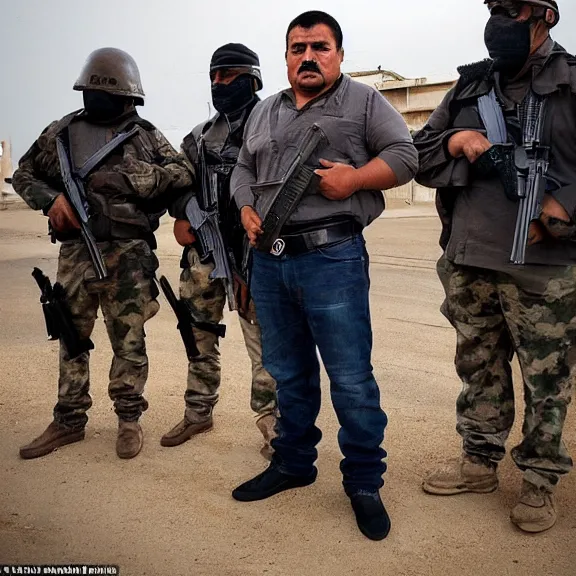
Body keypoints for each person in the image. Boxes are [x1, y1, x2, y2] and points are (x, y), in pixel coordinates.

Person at [229, 11, 418, 540]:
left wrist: (356, 177)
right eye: (297, 48)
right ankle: (293, 463)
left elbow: (406, 155)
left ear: (338, 53)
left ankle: (363, 481)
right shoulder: (264, 111)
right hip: (269, 260)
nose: (307, 56)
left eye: (319, 46)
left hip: (331, 258)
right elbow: (243, 167)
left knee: (352, 379)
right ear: (285, 56)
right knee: (287, 373)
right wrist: (245, 205)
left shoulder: (363, 101)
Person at [413, 0, 575, 533]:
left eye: (511, 8)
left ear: (545, 15)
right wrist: (461, 141)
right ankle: (479, 461)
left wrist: (564, 205)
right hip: (472, 255)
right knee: (478, 364)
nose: (498, 20)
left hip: (545, 264)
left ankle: (539, 479)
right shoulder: (470, 87)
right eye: (493, 8)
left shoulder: (570, 80)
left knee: (546, 378)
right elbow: (420, 152)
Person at [13, 47, 194, 460]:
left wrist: (144, 177)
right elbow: (24, 171)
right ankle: (69, 420)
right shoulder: (60, 134)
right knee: (71, 336)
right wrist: (51, 200)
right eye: (91, 89)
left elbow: (183, 172)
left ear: (129, 97)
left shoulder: (144, 134)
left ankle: (129, 420)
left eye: (106, 91)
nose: (97, 98)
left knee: (129, 339)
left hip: (129, 257)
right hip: (77, 253)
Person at [162, 44, 277, 459]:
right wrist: (181, 214)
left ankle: (272, 426)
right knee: (198, 335)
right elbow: (177, 183)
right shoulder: (198, 137)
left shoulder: (273, 127)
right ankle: (198, 411)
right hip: (205, 258)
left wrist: (253, 263)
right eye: (214, 77)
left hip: (258, 252)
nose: (219, 84)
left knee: (265, 344)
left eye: (228, 76)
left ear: (252, 79)